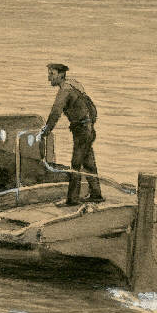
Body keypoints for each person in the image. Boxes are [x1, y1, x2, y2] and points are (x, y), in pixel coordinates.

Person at [39, 63, 103, 206]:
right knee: (88, 163)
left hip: (82, 131)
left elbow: (55, 112)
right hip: (87, 129)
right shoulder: (74, 86)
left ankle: (72, 200)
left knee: (75, 165)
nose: (49, 78)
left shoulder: (65, 91)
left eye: (52, 74)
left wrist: (46, 131)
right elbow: (91, 110)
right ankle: (96, 194)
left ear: (61, 75)